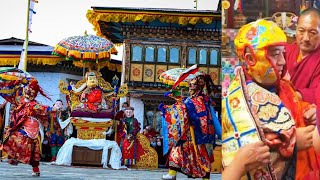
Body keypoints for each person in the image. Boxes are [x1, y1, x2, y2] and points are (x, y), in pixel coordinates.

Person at [222, 19, 319, 179]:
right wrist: (292, 142)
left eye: (283, 53)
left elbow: (294, 104)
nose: (282, 61)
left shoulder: (282, 85)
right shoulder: (239, 100)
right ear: (250, 58)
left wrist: (308, 111)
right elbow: (249, 145)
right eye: (275, 54)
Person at [161, 70, 219, 180]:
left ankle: (205, 178)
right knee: (176, 150)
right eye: (190, 84)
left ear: (198, 86)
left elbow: (187, 112)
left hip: (198, 135)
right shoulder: (193, 99)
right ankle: (172, 174)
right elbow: (184, 109)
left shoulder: (200, 100)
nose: (190, 87)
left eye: (192, 84)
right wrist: (177, 100)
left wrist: (168, 109)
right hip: (187, 134)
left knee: (201, 157)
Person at [0, 77, 51, 177]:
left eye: (31, 91)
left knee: (32, 150)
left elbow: (43, 108)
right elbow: (11, 95)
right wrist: (16, 82)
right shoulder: (20, 99)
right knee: (11, 137)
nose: (28, 92)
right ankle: (13, 157)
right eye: (27, 90)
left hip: (31, 128)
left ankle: (35, 169)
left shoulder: (34, 104)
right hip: (20, 125)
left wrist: (52, 108)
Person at [286, 8, 320, 104]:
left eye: (312, 33)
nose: (306, 38)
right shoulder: (287, 50)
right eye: (301, 31)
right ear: (296, 30)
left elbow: (317, 92)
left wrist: (295, 96)